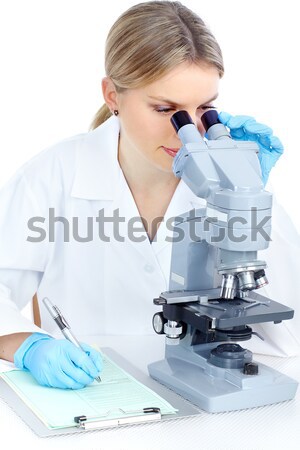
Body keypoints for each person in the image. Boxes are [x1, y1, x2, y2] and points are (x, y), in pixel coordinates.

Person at [0, 1, 299, 390]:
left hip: (208, 403)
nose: (187, 129)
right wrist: (30, 346)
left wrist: (251, 197)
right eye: (165, 109)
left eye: (205, 108)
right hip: (95, 396)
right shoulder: (51, 177)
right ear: (112, 96)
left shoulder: (232, 179)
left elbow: (289, 331)